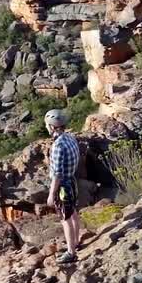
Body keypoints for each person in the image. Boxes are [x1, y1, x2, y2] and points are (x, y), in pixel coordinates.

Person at [45, 109, 82, 264]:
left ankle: (71, 252)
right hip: (72, 181)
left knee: (65, 219)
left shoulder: (58, 146)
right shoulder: (70, 138)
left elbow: (57, 174)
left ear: (52, 126)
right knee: (73, 212)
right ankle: (76, 241)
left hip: (63, 187)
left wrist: (51, 195)